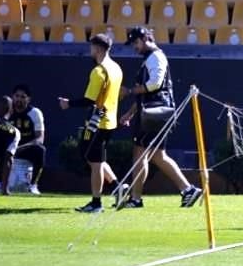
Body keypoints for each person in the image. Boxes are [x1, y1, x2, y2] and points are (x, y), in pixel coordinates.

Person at [117, 26, 203, 209]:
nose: (134, 47)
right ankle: (187, 190)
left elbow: (154, 84)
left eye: (136, 42)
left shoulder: (155, 57)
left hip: (154, 113)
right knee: (156, 155)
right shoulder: (152, 57)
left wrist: (129, 91)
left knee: (141, 154)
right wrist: (130, 113)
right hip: (153, 111)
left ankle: (136, 199)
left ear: (145, 39)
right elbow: (147, 92)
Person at [58, 33, 123, 213]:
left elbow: (89, 100)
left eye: (91, 47)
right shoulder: (117, 68)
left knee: (94, 161)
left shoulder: (99, 71)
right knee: (94, 158)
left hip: (97, 122)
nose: (90, 50)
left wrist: (68, 103)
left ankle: (96, 203)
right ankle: (118, 187)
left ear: (98, 48)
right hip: (109, 120)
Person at [8, 83, 45, 195]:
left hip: (25, 148)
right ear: (12, 97)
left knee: (40, 150)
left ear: (28, 99)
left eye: (23, 97)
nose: (19, 99)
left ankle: (33, 185)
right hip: (7, 148)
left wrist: (20, 147)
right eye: (17, 96)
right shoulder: (7, 110)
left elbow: (40, 138)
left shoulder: (34, 113)